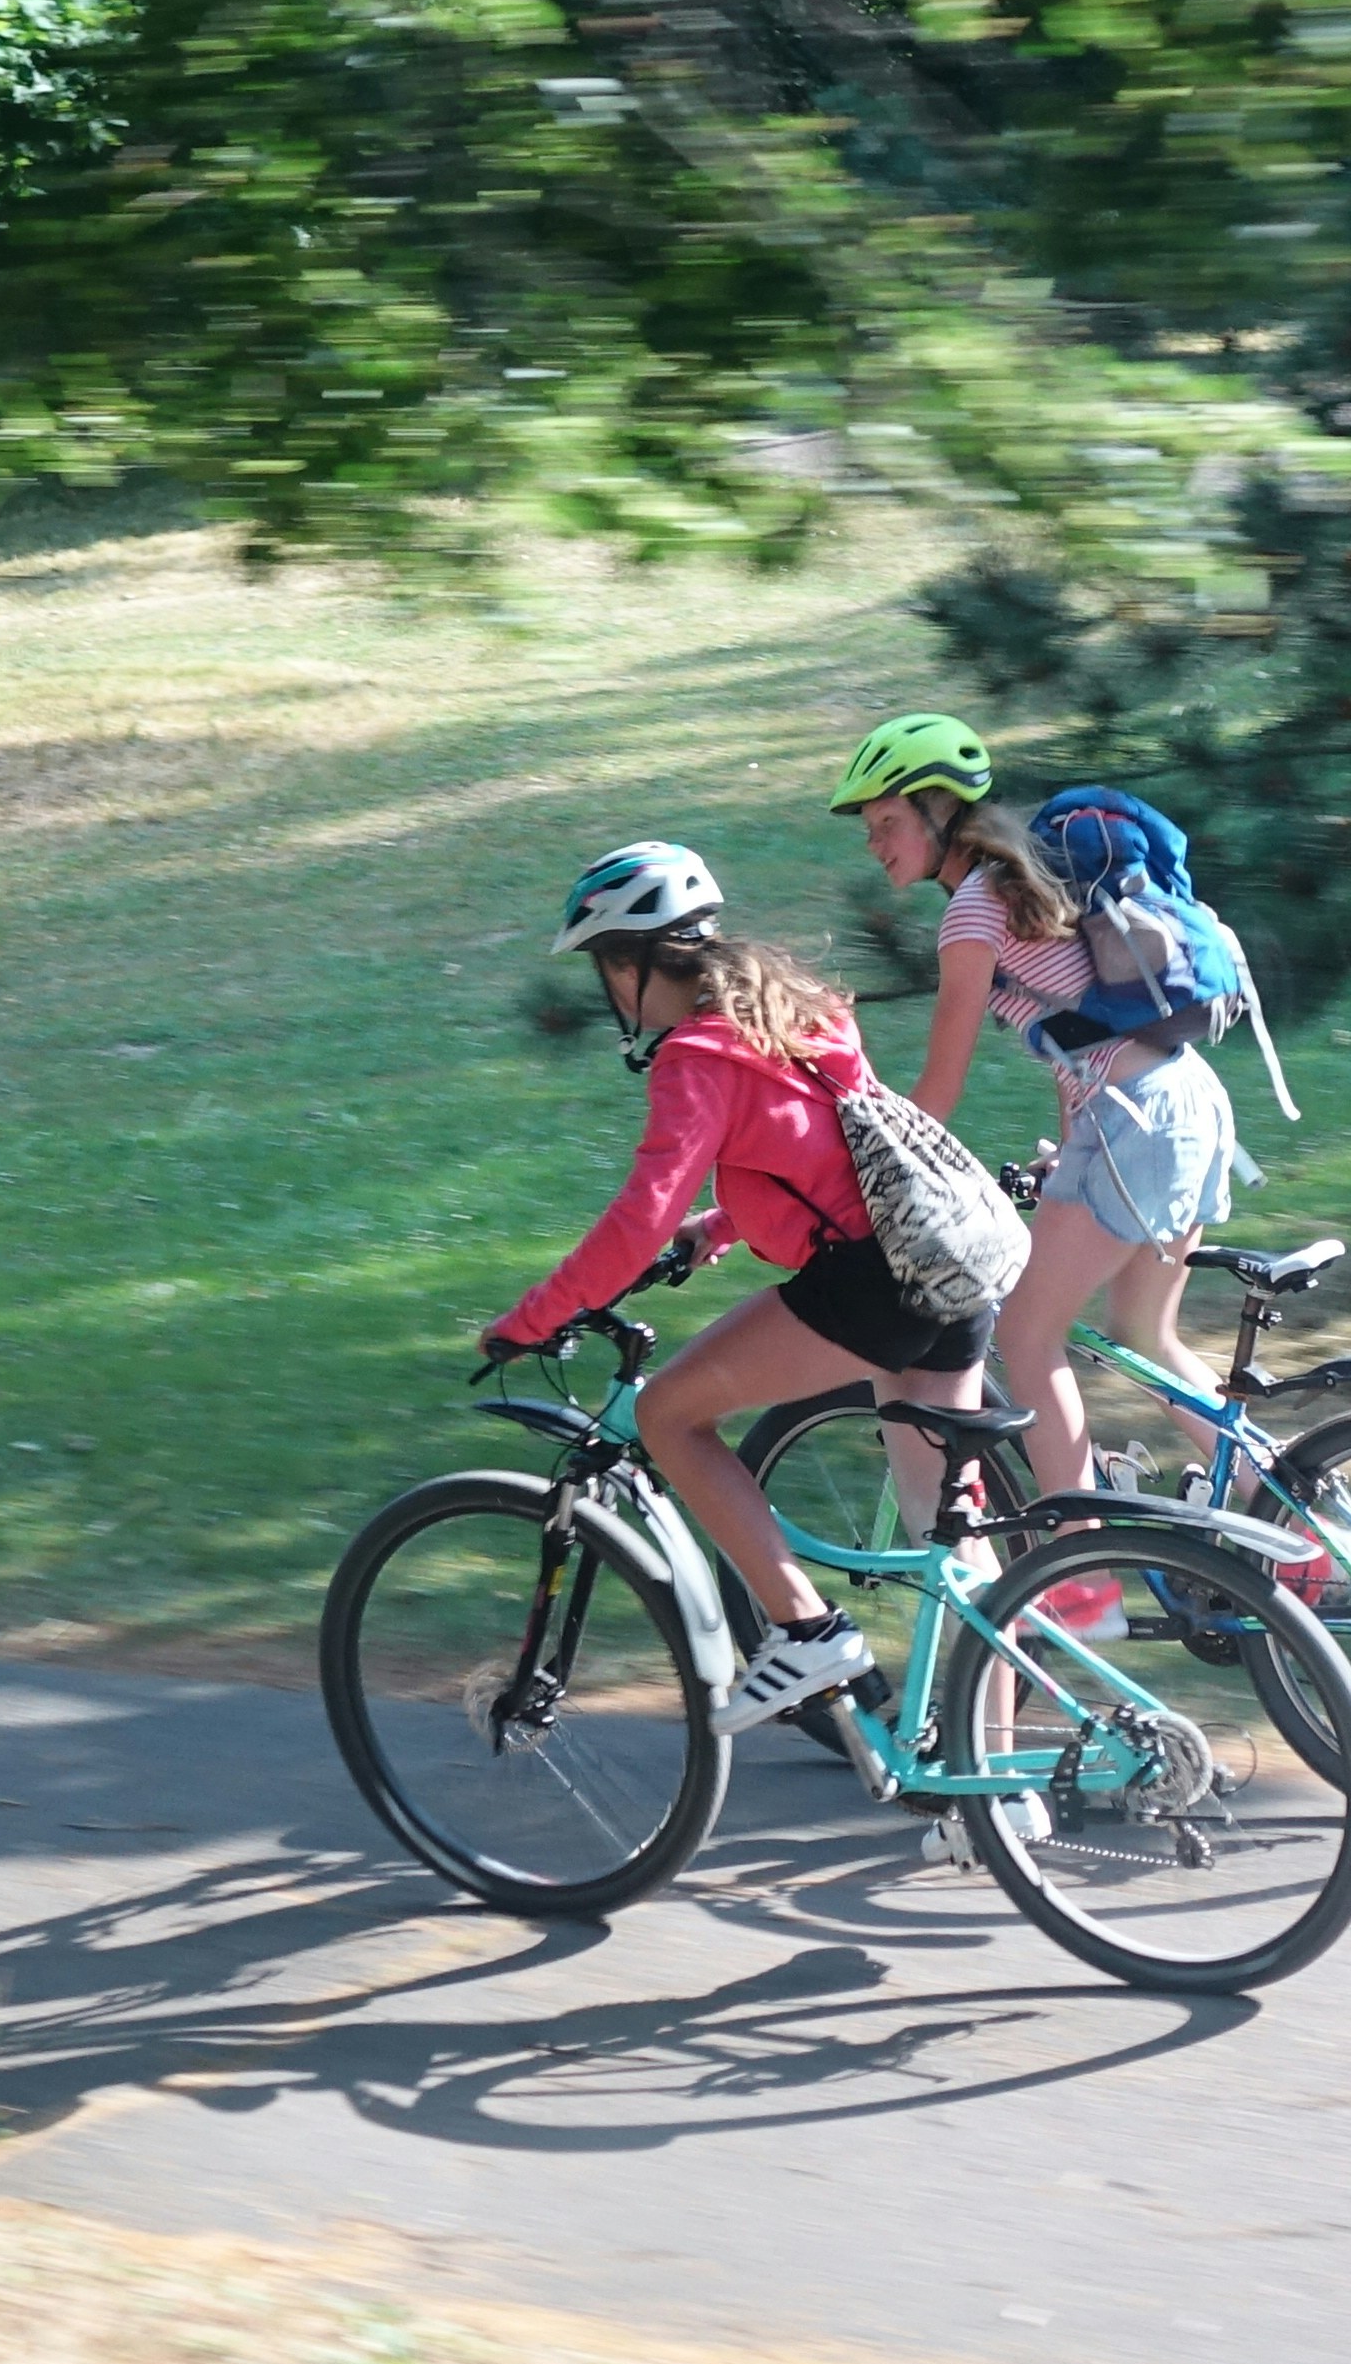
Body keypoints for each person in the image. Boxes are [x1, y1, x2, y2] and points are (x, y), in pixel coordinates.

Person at [480, 841, 991, 1737]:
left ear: (633, 964)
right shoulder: (797, 1010)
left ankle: (807, 1631)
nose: (608, 991)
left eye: (606, 968)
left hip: (872, 1285)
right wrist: (721, 1228)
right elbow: (843, 1152)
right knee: (949, 1541)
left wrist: (533, 1319)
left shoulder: (696, 1058)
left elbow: (639, 1217)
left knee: (670, 1414)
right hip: (951, 1264)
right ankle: (987, 1785)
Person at [832, 713, 1256, 1522]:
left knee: (1026, 1338)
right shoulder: (1017, 890)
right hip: (1187, 1103)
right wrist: (1069, 1155)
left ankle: (1076, 1568)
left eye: (887, 822)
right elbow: (1078, 1037)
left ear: (937, 812)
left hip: (1141, 1122)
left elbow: (938, 1092)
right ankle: (1293, 1529)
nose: (875, 843)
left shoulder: (971, 914)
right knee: (1142, 1337)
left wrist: (864, 1178)